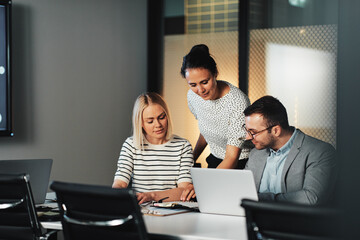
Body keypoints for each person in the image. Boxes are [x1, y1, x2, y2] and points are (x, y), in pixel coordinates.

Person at [243, 95, 336, 205]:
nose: (248, 137)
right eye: (247, 130)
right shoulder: (256, 153)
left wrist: (261, 199)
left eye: (253, 132)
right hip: (253, 219)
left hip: (296, 220)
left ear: (276, 130)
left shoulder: (319, 152)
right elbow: (243, 191)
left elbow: (311, 198)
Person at [112, 92, 194, 204]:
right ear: (140, 123)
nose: (158, 125)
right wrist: (116, 197)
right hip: (141, 210)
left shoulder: (183, 146)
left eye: (161, 117)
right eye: (150, 121)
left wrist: (151, 196)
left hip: (171, 211)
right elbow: (120, 184)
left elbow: (184, 190)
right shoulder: (131, 144)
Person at [180, 44, 251, 170]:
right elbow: (206, 129)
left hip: (241, 162)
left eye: (205, 82)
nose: (200, 90)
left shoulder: (237, 102)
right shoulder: (192, 96)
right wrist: (190, 161)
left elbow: (231, 158)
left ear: (215, 74)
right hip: (215, 158)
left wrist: (211, 181)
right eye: (193, 84)